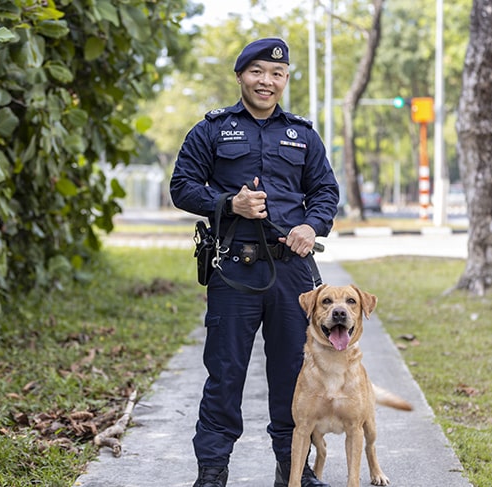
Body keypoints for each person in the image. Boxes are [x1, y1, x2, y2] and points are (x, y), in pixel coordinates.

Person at [170, 38, 340, 487]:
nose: (267, 81)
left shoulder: (303, 135)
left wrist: (311, 226)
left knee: (292, 375)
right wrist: (229, 204)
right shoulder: (211, 129)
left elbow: (325, 191)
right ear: (241, 75)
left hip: (292, 273)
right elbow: (182, 186)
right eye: (258, 72)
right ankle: (211, 473)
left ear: (285, 81)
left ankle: (293, 471)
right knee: (225, 374)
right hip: (234, 270)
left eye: (277, 74)